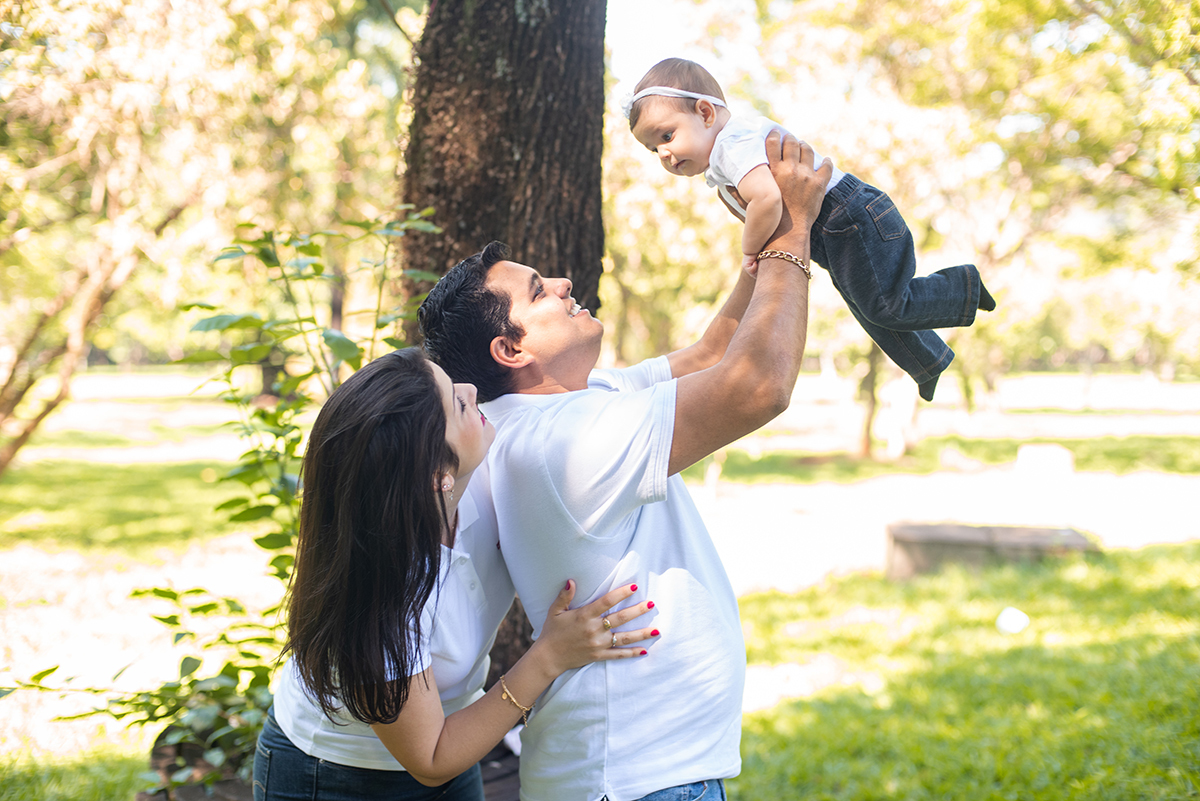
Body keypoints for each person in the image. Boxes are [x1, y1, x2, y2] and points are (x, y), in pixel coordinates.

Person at [418, 131, 830, 801]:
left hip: (642, 773)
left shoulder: (573, 404)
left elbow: (711, 354)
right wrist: (795, 234)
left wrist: (760, 250)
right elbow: (757, 386)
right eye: (539, 291)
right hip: (635, 781)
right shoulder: (564, 441)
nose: (563, 283)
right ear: (511, 350)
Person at [252, 347, 658, 801]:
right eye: (458, 403)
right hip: (336, 777)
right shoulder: (386, 595)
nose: (473, 391)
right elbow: (431, 759)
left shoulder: (483, 472)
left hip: (457, 740)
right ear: (436, 475)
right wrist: (550, 654)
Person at [625, 57, 996, 401]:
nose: (663, 154)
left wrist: (750, 249)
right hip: (835, 229)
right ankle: (927, 362)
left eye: (666, 136)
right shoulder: (728, 150)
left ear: (705, 113)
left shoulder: (730, 145)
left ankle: (963, 287)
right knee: (867, 308)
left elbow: (767, 199)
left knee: (885, 305)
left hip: (847, 216)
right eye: (652, 149)